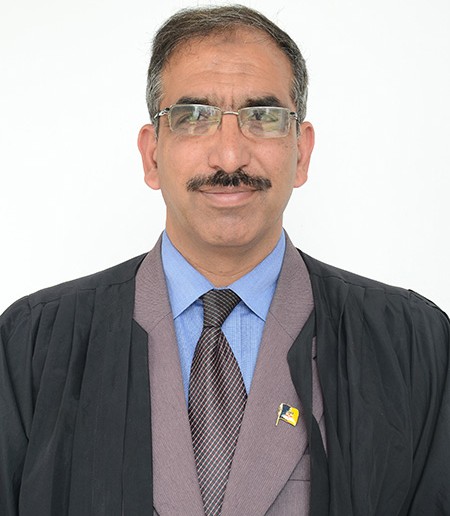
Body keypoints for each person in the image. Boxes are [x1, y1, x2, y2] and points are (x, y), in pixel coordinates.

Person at [1, 4, 449, 516]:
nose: (230, 157)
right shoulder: (33, 348)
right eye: (194, 118)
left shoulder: (412, 348)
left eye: (263, 117)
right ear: (152, 154)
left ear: (301, 153)